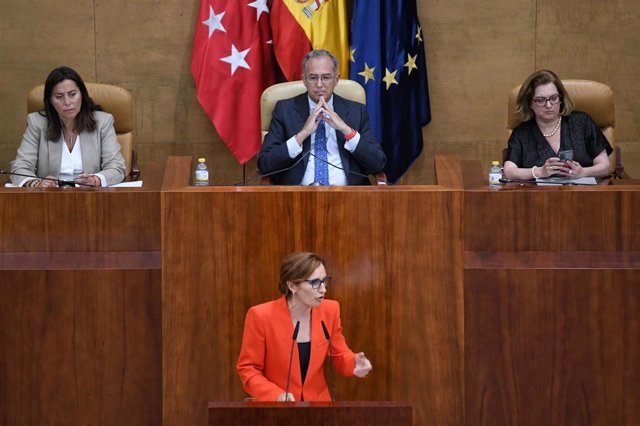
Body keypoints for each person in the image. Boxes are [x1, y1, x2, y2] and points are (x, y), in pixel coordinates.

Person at [237, 252, 372, 402]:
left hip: (318, 409)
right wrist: (276, 395)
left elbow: (339, 355)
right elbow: (248, 369)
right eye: (315, 283)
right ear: (292, 285)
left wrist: (355, 363)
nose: (323, 289)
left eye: (325, 281)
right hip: (276, 409)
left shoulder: (330, 310)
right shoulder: (261, 316)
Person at [257, 50, 386, 185]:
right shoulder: (285, 110)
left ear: (336, 79)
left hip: (348, 197)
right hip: (297, 197)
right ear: (304, 80)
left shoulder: (356, 111)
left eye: (326, 77)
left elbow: (378, 164)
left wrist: (347, 131)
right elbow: (265, 165)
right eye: (313, 78)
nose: (319, 84)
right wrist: (302, 134)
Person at [10, 66, 126, 187]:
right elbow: (19, 167)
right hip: (49, 198)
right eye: (59, 97)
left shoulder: (102, 122)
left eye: (72, 94)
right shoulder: (37, 123)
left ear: (82, 94)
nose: (67, 102)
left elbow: (116, 167)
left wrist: (96, 179)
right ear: (50, 100)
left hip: (91, 197)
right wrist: (36, 183)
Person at [503, 70, 612, 180]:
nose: (549, 105)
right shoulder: (522, 133)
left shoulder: (582, 122)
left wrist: (583, 172)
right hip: (540, 196)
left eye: (554, 98)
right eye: (541, 100)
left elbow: (605, 166)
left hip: (582, 193)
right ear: (530, 103)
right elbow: (509, 171)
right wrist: (539, 171)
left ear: (561, 98)